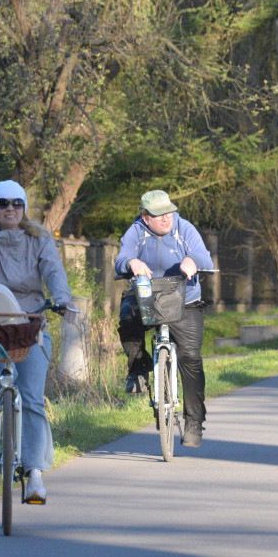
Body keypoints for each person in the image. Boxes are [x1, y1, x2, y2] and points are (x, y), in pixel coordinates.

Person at [0, 180, 75, 503]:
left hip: (30, 323)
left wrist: (61, 298)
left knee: (33, 397)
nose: (10, 209)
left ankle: (35, 474)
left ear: (24, 208)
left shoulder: (39, 238)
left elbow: (53, 271)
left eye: (17, 204)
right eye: (3, 203)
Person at [114, 190, 214, 448]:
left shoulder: (184, 228)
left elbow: (204, 256)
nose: (166, 218)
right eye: (159, 215)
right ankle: (138, 370)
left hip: (184, 299)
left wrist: (192, 260)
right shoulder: (136, 231)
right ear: (145, 217)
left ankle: (193, 422)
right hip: (145, 296)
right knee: (127, 319)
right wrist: (133, 262)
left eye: (169, 211)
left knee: (191, 358)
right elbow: (122, 258)